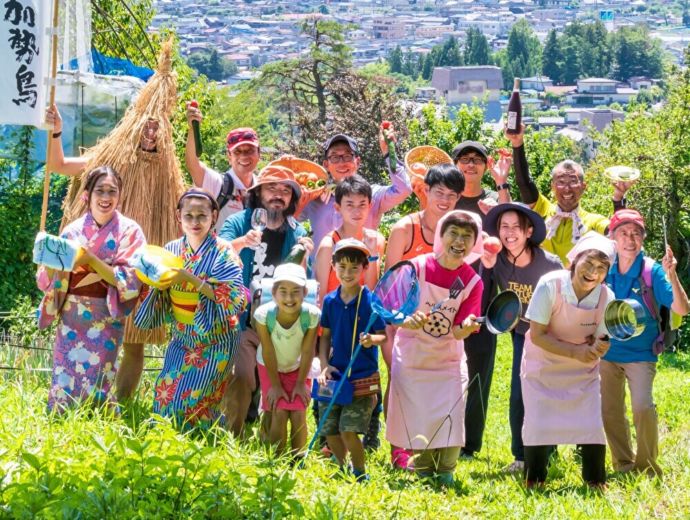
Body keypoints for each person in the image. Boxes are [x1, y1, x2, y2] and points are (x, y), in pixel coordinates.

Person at [44, 40, 186, 402]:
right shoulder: (110, 160)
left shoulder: (170, 178)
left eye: (158, 128)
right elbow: (59, 166)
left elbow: (194, 212)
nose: (151, 133)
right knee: (74, 353)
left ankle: (117, 407)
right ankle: (71, 408)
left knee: (134, 345)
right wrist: (56, 131)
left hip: (135, 273)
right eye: (146, 126)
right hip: (85, 294)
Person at [386, 211, 485, 487]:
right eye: (453, 233)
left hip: (447, 359)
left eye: (467, 236)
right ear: (441, 236)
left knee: (451, 411)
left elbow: (458, 328)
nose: (459, 241)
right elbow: (390, 309)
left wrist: (465, 328)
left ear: (474, 243)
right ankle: (423, 468)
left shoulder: (473, 281)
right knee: (417, 413)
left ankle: (446, 471)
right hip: (412, 354)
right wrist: (406, 319)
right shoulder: (415, 267)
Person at [134, 188, 245, 429]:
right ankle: (171, 444)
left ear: (214, 216)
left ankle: (203, 445)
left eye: (202, 216)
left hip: (217, 338)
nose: (195, 222)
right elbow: (154, 286)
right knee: (165, 392)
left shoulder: (224, 252)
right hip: (182, 336)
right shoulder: (171, 249)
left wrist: (191, 279)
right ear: (178, 217)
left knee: (193, 399)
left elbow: (235, 297)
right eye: (189, 216)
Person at [36, 166, 145, 412]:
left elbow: (130, 279)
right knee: (64, 373)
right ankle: (60, 419)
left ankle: (95, 422)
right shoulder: (72, 231)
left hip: (105, 314)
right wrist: (47, 254)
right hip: (71, 316)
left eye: (112, 191)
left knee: (101, 374)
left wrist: (91, 261)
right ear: (86, 194)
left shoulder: (130, 231)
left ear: (120, 195)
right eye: (99, 191)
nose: (106, 197)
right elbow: (48, 280)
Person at [219, 165, 313, 436]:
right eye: (272, 188)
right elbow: (218, 248)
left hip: (279, 323)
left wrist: (304, 257)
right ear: (258, 193)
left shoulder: (296, 232)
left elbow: (300, 280)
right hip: (245, 319)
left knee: (278, 381)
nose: (278, 195)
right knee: (242, 376)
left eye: (286, 190)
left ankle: (268, 439)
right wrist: (240, 243)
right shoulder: (240, 221)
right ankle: (233, 435)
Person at [383, 162, 464, 468]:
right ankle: (399, 448)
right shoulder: (405, 228)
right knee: (400, 378)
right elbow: (391, 281)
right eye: (439, 192)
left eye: (452, 195)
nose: (445, 200)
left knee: (438, 383)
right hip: (405, 319)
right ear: (425, 191)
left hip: (442, 323)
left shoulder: (459, 233)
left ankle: (429, 443)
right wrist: (397, 321)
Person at [521, 232, 616, 488]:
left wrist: (599, 348)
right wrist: (576, 352)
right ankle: (534, 480)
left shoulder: (607, 297)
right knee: (539, 423)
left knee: (591, 423)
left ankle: (595, 482)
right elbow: (538, 335)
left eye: (601, 268)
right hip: (543, 365)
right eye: (588, 263)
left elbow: (601, 338)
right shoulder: (550, 284)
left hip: (583, 371)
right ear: (575, 260)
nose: (593, 272)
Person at [601, 210, 689, 477]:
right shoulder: (604, 267)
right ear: (612, 238)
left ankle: (648, 466)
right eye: (623, 233)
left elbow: (682, 309)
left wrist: (672, 275)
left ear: (643, 238)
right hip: (606, 351)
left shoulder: (653, 271)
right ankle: (623, 464)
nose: (630, 239)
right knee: (610, 410)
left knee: (642, 406)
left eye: (636, 233)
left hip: (641, 354)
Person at [482, 202, 563, 473]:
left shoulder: (549, 264)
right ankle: (520, 455)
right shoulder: (498, 260)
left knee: (546, 393)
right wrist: (487, 266)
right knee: (519, 394)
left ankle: (549, 451)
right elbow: (483, 297)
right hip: (521, 336)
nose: (510, 233)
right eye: (504, 227)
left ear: (529, 231)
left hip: (551, 335)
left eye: (516, 226)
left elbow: (564, 303)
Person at [451, 141, 512, 459]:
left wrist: (502, 185)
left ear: (486, 166)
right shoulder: (448, 200)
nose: (470, 165)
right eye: (464, 159)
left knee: (479, 368)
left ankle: (469, 442)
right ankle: (441, 432)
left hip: (485, 296)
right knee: (444, 365)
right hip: (446, 294)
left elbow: (512, 226)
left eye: (477, 160)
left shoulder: (491, 203)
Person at [507, 124, 633, 266]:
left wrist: (618, 199)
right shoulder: (543, 210)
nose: (567, 189)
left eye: (573, 182)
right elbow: (525, 183)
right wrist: (517, 144)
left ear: (583, 187)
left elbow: (618, 233)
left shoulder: (592, 221)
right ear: (552, 187)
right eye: (561, 182)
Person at [318, 238, 386, 481]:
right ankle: (341, 466)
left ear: (364, 269)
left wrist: (371, 340)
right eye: (342, 267)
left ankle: (359, 473)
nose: (347, 273)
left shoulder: (370, 300)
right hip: (335, 376)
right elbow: (324, 337)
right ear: (333, 266)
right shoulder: (329, 301)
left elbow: (383, 336)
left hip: (361, 378)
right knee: (330, 431)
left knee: (348, 431)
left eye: (354, 268)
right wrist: (324, 364)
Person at [299, 128, 411, 260]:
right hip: (320, 277)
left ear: (357, 161)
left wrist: (388, 152)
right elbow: (287, 218)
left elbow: (403, 188)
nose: (341, 162)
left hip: (361, 276)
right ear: (326, 164)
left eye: (347, 156)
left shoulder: (371, 195)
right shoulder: (316, 197)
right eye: (334, 157)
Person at [254, 263, 320, 456]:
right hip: (270, 366)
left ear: (305, 292)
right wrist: (275, 385)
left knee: (298, 411)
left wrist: (301, 383)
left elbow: (308, 351)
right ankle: (278, 458)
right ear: (273, 292)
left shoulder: (312, 315)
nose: (289, 298)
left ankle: (298, 459)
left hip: (297, 366)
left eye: (295, 292)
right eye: (283, 291)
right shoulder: (264, 315)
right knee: (278, 410)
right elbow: (268, 350)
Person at [185, 102, 260, 231]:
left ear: (259, 154)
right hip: (222, 251)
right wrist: (193, 129)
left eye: (249, 151)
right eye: (237, 152)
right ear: (229, 157)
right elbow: (192, 163)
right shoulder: (219, 184)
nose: (244, 156)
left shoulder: (261, 187)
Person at [314, 175, 384, 303]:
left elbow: (370, 290)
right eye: (350, 205)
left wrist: (372, 254)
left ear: (370, 205)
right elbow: (320, 298)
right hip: (334, 319)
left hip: (362, 318)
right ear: (338, 208)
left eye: (362, 204)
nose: (357, 212)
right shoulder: (329, 245)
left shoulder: (376, 240)